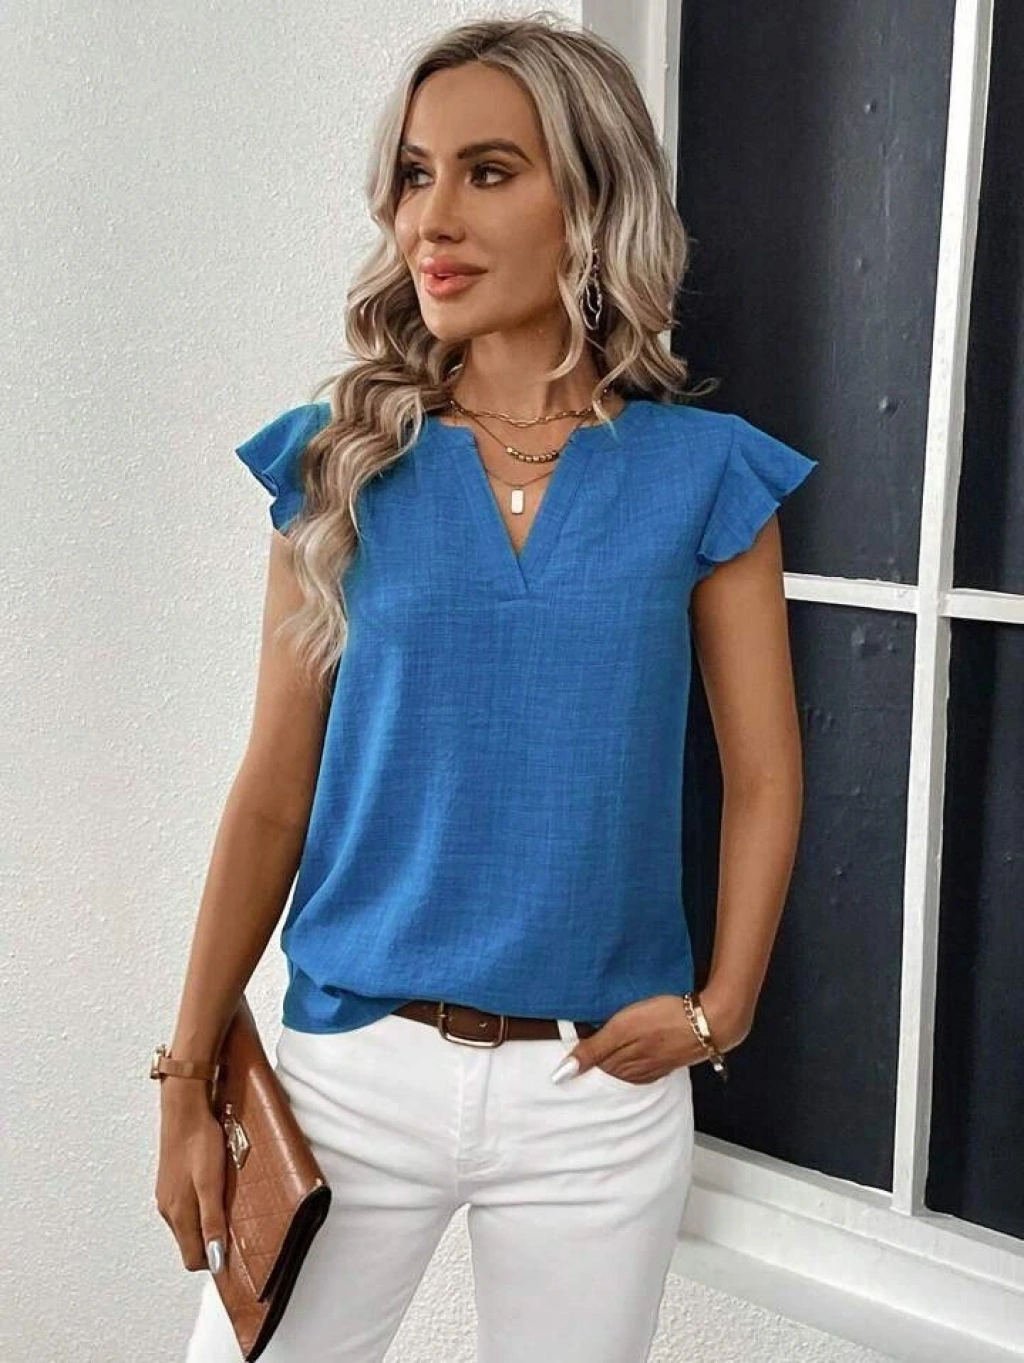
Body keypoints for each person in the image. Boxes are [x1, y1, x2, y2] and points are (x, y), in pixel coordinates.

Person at [153, 13, 818, 1362]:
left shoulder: (705, 475)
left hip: (595, 1095)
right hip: (350, 1074)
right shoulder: (340, 464)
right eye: (414, 175)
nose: (432, 219)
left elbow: (761, 775)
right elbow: (274, 790)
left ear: (591, 197)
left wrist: (725, 1002)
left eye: (488, 171)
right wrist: (187, 1070)